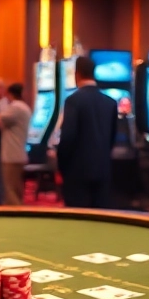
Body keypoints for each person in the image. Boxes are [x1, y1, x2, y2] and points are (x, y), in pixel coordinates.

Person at [56, 55, 117, 209]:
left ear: (77, 74)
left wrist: (61, 165)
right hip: (103, 170)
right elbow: (112, 138)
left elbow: (68, 137)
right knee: (99, 217)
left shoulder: (73, 100)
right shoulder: (110, 102)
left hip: (77, 172)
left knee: (78, 218)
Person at [0, 81, 32, 206]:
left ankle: (16, 214)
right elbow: (5, 126)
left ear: (10, 94)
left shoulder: (15, 107)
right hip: (19, 153)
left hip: (11, 155)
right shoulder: (25, 107)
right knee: (17, 189)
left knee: (10, 190)